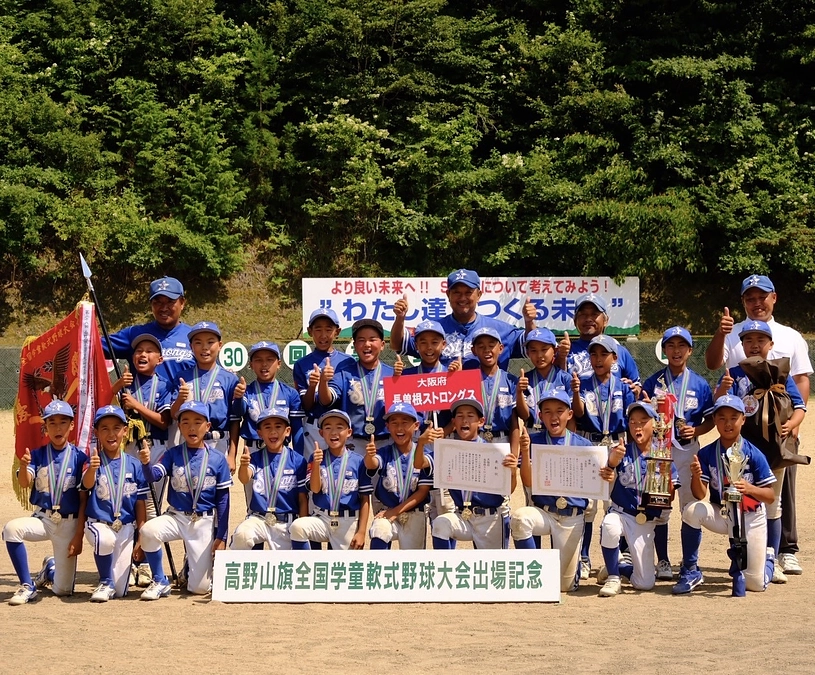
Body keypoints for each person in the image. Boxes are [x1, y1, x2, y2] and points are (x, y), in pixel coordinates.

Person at [705, 273, 812, 575]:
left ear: (773, 297)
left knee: (775, 496)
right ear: (742, 302)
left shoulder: (790, 336)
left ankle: (781, 553)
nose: (756, 302)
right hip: (743, 439)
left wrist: (793, 422)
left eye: (761, 296)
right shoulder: (733, 336)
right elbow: (715, 370)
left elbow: (801, 383)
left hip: (776, 434)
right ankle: (746, 551)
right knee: (742, 495)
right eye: (749, 298)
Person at [672, 396, 777, 596]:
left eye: (733, 417)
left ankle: (769, 558)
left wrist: (750, 489)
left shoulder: (753, 453)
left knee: (755, 584)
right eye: (721, 418)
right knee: (692, 510)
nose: (727, 423)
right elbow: (699, 494)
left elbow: (770, 496)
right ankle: (691, 570)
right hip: (722, 512)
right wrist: (695, 476)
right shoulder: (707, 453)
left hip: (750, 517)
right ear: (715, 420)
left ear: (743, 420)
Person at [137, 400, 232, 599]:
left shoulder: (217, 459)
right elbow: (154, 475)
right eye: (186, 422)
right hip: (177, 517)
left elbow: (223, 499)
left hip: (203, 521)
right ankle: (160, 580)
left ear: (207, 426)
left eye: (198, 422)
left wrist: (221, 536)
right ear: (179, 426)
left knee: (199, 588)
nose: (191, 427)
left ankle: (190, 566)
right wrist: (146, 463)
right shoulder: (172, 453)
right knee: (148, 531)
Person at [641, 326, 714, 580]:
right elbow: (644, 417)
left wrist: (696, 430)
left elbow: (710, 420)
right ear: (664, 350)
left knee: (690, 505)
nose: (676, 351)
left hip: (688, 452)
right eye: (671, 345)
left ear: (690, 350)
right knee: (660, 507)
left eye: (681, 346)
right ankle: (662, 560)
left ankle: (689, 561)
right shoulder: (653, 382)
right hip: (660, 451)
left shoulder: (700, 384)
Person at [3, 400, 87, 605]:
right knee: (11, 529)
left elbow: (84, 499)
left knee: (63, 591)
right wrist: (23, 467)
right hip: (44, 519)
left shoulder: (79, 457)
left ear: (72, 425)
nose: (58, 428)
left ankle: (50, 569)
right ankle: (27, 585)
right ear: (45, 427)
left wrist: (78, 535)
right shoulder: (37, 455)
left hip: (69, 523)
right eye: (52, 423)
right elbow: (25, 482)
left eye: (63, 423)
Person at [511, 389, 595, 592]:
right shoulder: (534, 441)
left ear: (569, 414)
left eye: (559, 410)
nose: (554, 416)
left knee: (564, 587)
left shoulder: (584, 446)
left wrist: (608, 469)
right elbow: (529, 483)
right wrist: (524, 451)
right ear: (540, 416)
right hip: (544, 512)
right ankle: (536, 575)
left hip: (571, 517)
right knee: (521, 518)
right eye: (547, 411)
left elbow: (594, 484)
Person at [596, 402, 678, 597]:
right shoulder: (620, 451)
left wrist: (667, 483)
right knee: (609, 525)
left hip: (645, 521)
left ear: (655, 425)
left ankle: (617, 566)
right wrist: (612, 461)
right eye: (633, 422)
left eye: (643, 421)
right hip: (621, 513)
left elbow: (671, 496)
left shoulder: (662, 455)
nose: (637, 427)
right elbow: (606, 472)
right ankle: (613, 577)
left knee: (645, 583)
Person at [572, 334, 637, 579]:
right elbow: (577, 414)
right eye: (594, 354)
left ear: (614, 358)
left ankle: (620, 556)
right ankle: (585, 556)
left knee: (615, 504)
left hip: (617, 444)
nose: (598, 359)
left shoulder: (623, 385)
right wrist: (576, 393)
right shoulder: (583, 382)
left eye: (604, 354)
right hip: (591, 443)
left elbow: (632, 419)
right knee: (588, 506)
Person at [390, 269, 536, 368]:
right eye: (457, 292)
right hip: (445, 407)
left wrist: (529, 322)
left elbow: (532, 346)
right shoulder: (434, 329)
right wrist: (400, 319)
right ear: (448, 295)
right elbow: (398, 344)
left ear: (479, 295)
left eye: (468, 292)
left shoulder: (501, 330)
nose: (462, 298)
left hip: (488, 404)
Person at [421, 399, 518, 550]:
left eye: (470, 416)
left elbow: (508, 490)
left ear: (481, 421)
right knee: (440, 524)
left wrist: (512, 473)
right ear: (453, 422)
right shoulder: (448, 450)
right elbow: (419, 464)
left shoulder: (494, 452)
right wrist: (421, 443)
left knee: (491, 570)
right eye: (459, 416)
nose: (464, 420)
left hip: (489, 518)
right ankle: (445, 570)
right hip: (461, 516)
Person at [81, 405, 148, 602]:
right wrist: (93, 469)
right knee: (105, 540)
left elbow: (140, 502)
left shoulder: (134, 464)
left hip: (125, 527)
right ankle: (105, 581)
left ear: (125, 431)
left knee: (121, 592)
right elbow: (86, 485)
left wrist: (141, 535)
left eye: (116, 428)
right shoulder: (92, 460)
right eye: (105, 428)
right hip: (98, 523)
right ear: (96, 432)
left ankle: (52, 568)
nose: (111, 434)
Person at [288, 411, 372, 550]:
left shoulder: (358, 461)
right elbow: (314, 489)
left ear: (349, 432)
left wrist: (361, 531)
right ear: (321, 433)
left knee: (343, 569)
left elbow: (364, 499)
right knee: (298, 527)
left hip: (348, 520)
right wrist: (316, 465)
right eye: (328, 428)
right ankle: (308, 567)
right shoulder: (316, 457)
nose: (334, 432)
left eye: (340, 427)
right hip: (322, 517)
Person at [231, 407, 308, 551]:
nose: (273, 432)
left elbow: (303, 498)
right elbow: (244, 478)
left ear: (287, 431)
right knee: (242, 534)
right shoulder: (256, 457)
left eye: (278, 426)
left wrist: (302, 525)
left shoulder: (298, 460)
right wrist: (243, 465)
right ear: (259, 433)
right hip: (259, 518)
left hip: (286, 521)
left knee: (285, 567)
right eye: (267, 427)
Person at [319, 319, 398, 455]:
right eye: (361, 340)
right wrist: (323, 382)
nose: (367, 344)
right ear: (355, 345)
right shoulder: (344, 372)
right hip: (353, 444)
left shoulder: (392, 374)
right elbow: (327, 400)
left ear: (382, 345)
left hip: (386, 442)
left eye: (372, 339)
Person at [365, 403, 435, 550]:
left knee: (413, 565)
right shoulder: (384, 452)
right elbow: (373, 464)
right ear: (387, 426)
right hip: (386, 511)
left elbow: (422, 492)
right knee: (379, 529)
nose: (399, 428)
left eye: (405, 423)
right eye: (394, 423)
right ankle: (379, 571)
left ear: (416, 425)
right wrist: (369, 456)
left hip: (414, 513)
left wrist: (395, 512)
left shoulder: (426, 454)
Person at [230, 341, 305, 469]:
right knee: (253, 489)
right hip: (253, 451)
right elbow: (238, 414)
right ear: (251, 365)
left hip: (281, 450)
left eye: (270, 360)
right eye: (258, 360)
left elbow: (297, 428)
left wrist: (298, 458)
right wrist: (238, 398)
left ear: (279, 364)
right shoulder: (246, 391)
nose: (264, 364)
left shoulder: (290, 393)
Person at [105, 276, 195, 382]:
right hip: (140, 399)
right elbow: (91, 346)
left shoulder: (195, 337)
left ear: (182, 303)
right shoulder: (135, 334)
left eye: (170, 301)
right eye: (157, 302)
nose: (164, 308)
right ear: (151, 304)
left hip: (186, 398)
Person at [171, 322, 241, 456]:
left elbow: (235, 420)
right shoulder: (182, 377)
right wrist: (180, 399)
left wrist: (232, 455)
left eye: (210, 342)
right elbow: (174, 415)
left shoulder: (229, 379)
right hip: (188, 442)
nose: (205, 348)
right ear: (191, 347)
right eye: (198, 343)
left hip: (218, 443)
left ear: (220, 345)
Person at [294, 308, 354, 451]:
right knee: (313, 471)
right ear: (310, 331)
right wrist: (313, 386)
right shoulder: (301, 364)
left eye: (328, 329)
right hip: (313, 428)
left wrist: (323, 383)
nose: (323, 335)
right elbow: (306, 405)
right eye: (318, 329)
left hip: (340, 427)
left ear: (337, 332)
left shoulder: (348, 362)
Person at [558, 293, 640, 392]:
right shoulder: (566, 351)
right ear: (575, 321)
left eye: (594, 314)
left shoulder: (619, 351)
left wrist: (635, 390)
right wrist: (561, 357)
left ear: (605, 320)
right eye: (583, 315)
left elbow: (637, 385)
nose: (588, 319)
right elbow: (555, 384)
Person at [515, 327, 572, 428]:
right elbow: (524, 415)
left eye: (544, 349)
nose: (539, 355)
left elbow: (572, 415)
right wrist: (519, 392)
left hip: (557, 433)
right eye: (533, 350)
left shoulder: (565, 378)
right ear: (528, 353)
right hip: (532, 433)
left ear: (555, 350)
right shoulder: (525, 380)